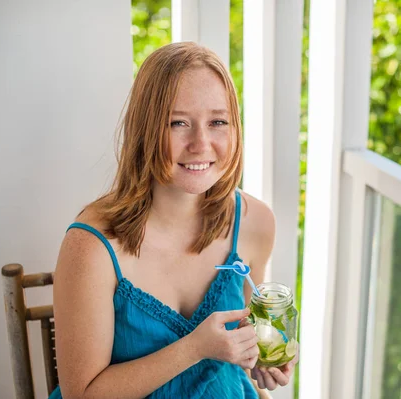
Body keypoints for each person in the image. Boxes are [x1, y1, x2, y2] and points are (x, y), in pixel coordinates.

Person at [50, 42, 297, 399]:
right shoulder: (90, 247)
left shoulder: (256, 222)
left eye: (217, 122)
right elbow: (82, 395)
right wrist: (195, 348)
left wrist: (261, 356)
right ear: (145, 130)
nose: (201, 143)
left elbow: (245, 331)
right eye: (178, 122)